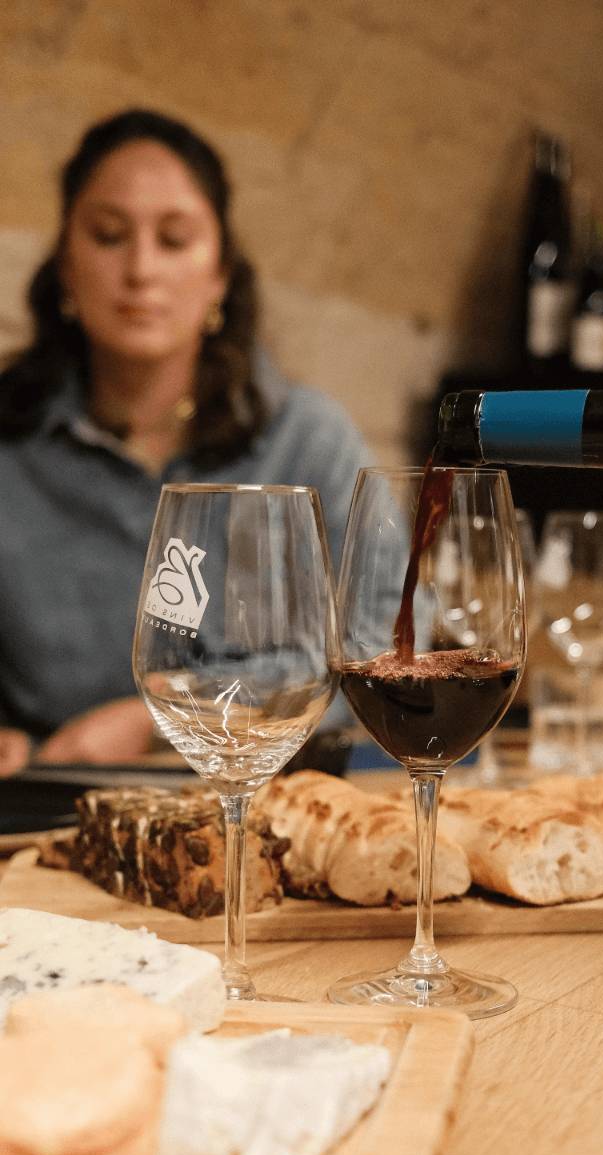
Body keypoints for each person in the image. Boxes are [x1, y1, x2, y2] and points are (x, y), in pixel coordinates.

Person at [0, 108, 372, 776]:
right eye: (109, 235)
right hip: (49, 801)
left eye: (173, 240)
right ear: (65, 266)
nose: (141, 269)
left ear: (221, 273)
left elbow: (380, 643)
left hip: (270, 795)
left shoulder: (306, 438)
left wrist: (162, 716)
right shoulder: (11, 442)